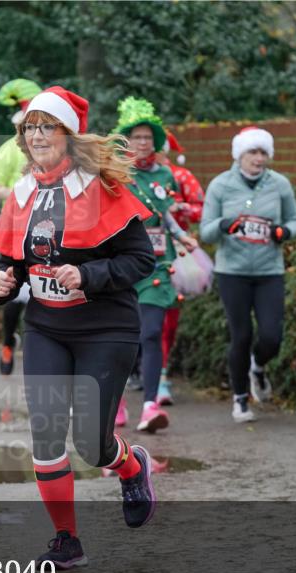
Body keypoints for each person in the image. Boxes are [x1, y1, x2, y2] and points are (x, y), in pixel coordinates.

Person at [0, 86, 158, 568]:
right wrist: (3, 284)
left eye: (47, 126)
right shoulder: (21, 194)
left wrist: (89, 274)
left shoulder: (102, 189)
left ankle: (131, 464)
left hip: (106, 328)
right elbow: (12, 264)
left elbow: (140, 259)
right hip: (46, 326)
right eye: (30, 127)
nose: (37, 135)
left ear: (67, 135)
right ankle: (66, 539)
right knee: (45, 434)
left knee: (92, 445)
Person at [199, 126, 296, 423]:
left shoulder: (280, 184)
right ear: (239, 155)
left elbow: (294, 221)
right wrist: (224, 225)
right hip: (232, 272)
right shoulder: (220, 185)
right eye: (252, 152)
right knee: (241, 335)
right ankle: (240, 400)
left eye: (263, 153)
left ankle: (258, 365)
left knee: (272, 336)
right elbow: (205, 230)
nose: (259, 158)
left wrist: (284, 232)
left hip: (270, 271)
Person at [111, 97, 198, 434]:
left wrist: (181, 236)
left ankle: (149, 405)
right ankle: (115, 401)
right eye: (136, 137)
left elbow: (164, 215)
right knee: (122, 337)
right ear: (126, 140)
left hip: (158, 265)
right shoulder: (114, 175)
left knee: (150, 333)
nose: (143, 143)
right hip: (122, 265)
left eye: (148, 138)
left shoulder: (165, 174)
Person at [0, 78, 40, 375]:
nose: (35, 135)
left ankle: (38, 353)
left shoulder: (57, 151)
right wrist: (19, 193)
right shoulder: (8, 151)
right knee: (13, 296)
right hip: (16, 228)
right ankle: (8, 341)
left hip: (47, 230)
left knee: (40, 296)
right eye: (29, 127)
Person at [156, 129, 205, 406]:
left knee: (170, 317)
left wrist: (179, 209)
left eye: (158, 148)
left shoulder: (180, 176)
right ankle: (145, 368)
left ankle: (162, 374)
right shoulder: (132, 176)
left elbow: (202, 207)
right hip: (142, 254)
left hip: (178, 252)